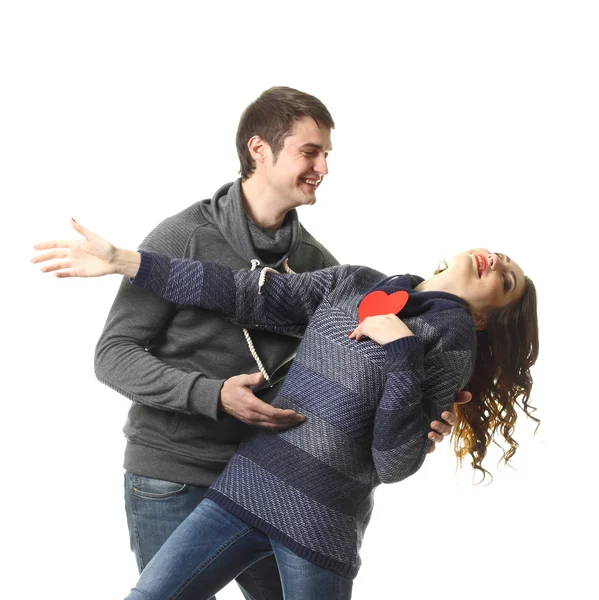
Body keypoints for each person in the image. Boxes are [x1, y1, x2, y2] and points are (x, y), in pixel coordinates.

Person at [51, 87, 462, 600]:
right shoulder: (182, 238)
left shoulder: (320, 265)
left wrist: (417, 413)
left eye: (327, 154)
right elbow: (113, 356)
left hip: (273, 481)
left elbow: (350, 378)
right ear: (258, 150)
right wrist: (212, 394)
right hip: (172, 476)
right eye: (309, 152)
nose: (323, 168)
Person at [32, 222, 539, 600]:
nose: (495, 262)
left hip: (319, 525)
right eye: (499, 255)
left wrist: (402, 351)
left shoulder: (448, 343)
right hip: (244, 488)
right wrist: (126, 261)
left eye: (508, 280)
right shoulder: (358, 282)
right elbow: (246, 294)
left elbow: (394, 462)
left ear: (480, 318)